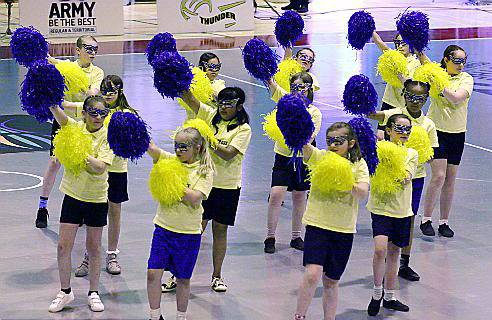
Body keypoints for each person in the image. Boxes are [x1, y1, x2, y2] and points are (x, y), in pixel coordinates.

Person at [160, 87, 251, 293]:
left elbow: (228, 154)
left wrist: (209, 138)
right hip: (201, 184)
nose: (224, 107)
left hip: (226, 187)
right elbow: (189, 98)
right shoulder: (210, 115)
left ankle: (217, 276)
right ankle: (177, 273)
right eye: (221, 103)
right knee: (193, 230)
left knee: (220, 231)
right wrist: (178, 81)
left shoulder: (243, 129)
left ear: (239, 105)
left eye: (229, 104)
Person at [294, 122, 369, 320]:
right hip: (317, 224)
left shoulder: (359, 164)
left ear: (351, 143)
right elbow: (304, 147)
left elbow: (362, 191)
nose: (333, 145)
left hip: (343, 229)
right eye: (330, 141)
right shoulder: (321, 157)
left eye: (339, 141)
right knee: (312, 274)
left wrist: (346, 181)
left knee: (331, 281)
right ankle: (299, 316)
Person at [47, 96, 113, 313]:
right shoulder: (76, 128)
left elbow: (100, 167)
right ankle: (65, 292)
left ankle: (93, 292)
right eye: (93, 112)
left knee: (93, 248)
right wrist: (50, 102)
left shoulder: (108, 136)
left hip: (96, 198)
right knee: (63, 246)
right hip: (73, 196)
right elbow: (61, 118)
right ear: (83, 113)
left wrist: (79, 153)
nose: (98, 117)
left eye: (102, 113)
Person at [368, 80, 438, 281]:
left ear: (426, 99)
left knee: (409, 219)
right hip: (388, 178)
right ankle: (386, 261)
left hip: (414, 179)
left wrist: (419, 151)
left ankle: (404, 263)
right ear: (404, 95)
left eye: (420, 98)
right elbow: (372, 115)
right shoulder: (393, 114)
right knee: (386, 218)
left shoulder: (428, 124)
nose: (415, 101)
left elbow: (431, 153)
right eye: (411, 96)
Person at [35, 35, 104, 228]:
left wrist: (69, 99)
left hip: (85, 125)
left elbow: (93, 94)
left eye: (95, 49)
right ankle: (42, 207)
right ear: (78, 50)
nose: (92, 53)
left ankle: (80, 208)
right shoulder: (65, 68)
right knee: (55, 162)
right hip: (64, 122)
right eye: (89, 48)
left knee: (83, 166)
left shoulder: (97, 72)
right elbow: (49, 60)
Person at [146, 128, 215, 320]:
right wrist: (140, 135)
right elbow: (153, 150)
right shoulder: (171, 161)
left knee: (183, 279)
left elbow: (194, 198)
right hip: (163, 229)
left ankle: (181, 316)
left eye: (183, 147)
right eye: (176, 146)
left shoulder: (205, 171)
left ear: (197, 147)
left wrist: (171, 181)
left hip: (188, 234)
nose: (178, 150)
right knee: (153, 274)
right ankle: (154, 316)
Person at [74, 75, 138, 277]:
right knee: (92, 213)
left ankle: (111, 254)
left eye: (113, 90)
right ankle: (88, 255)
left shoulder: (127, 114)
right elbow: (74, 109)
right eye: (105, 90)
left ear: (120, 91)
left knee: (114, 212)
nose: (108, 94)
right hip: (95, 169)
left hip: (116, 169)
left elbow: (135, 142)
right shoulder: (96, 108)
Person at [264, 72, 322, 254]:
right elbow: (272, 86)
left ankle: (296, 236)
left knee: (299, 196)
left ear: (309, 89)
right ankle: (270, 236)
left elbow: (310, 136)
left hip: (304, 158)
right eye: (294, 87)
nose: (298, 91)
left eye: (302, 87)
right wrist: (266, 75)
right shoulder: (285, 102)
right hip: (283, 156)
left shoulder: (314, 112)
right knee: (276, 194)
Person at [366, 114, 418, 316]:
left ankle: (390, 296)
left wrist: (388, 158)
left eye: (408, 129)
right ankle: (376, 293)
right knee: (380, 250)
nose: (404, 133)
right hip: (380, 208)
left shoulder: (412, 153)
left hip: (402, 210)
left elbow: (405, 178)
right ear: (388, 130)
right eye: (399, 128)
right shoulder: (376, 151)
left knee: (395, 252)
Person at [421, 45, 474, 238]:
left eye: (463, 61)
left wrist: (439, 83)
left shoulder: (466, 79)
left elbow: (456, 98)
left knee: (450, 179)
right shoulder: (435, 74)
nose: (461, 65)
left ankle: (444, 221)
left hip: (458, 134)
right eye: (457, 61)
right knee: (438, 177)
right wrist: (419, 52)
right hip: (437, 132)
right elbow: (424, 64)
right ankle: (426, 219)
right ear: (446, 60)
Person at [371, 31, 421, 140]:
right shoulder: (394, 56)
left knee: (399, 137)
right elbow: (379, 42)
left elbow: (409, 85)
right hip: (388, 101)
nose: (400, 46)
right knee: (380, 136)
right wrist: (371, 29)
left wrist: (398, 72)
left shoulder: (415, 63)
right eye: (397, 42)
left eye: (404, 43)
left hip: (403, 106)